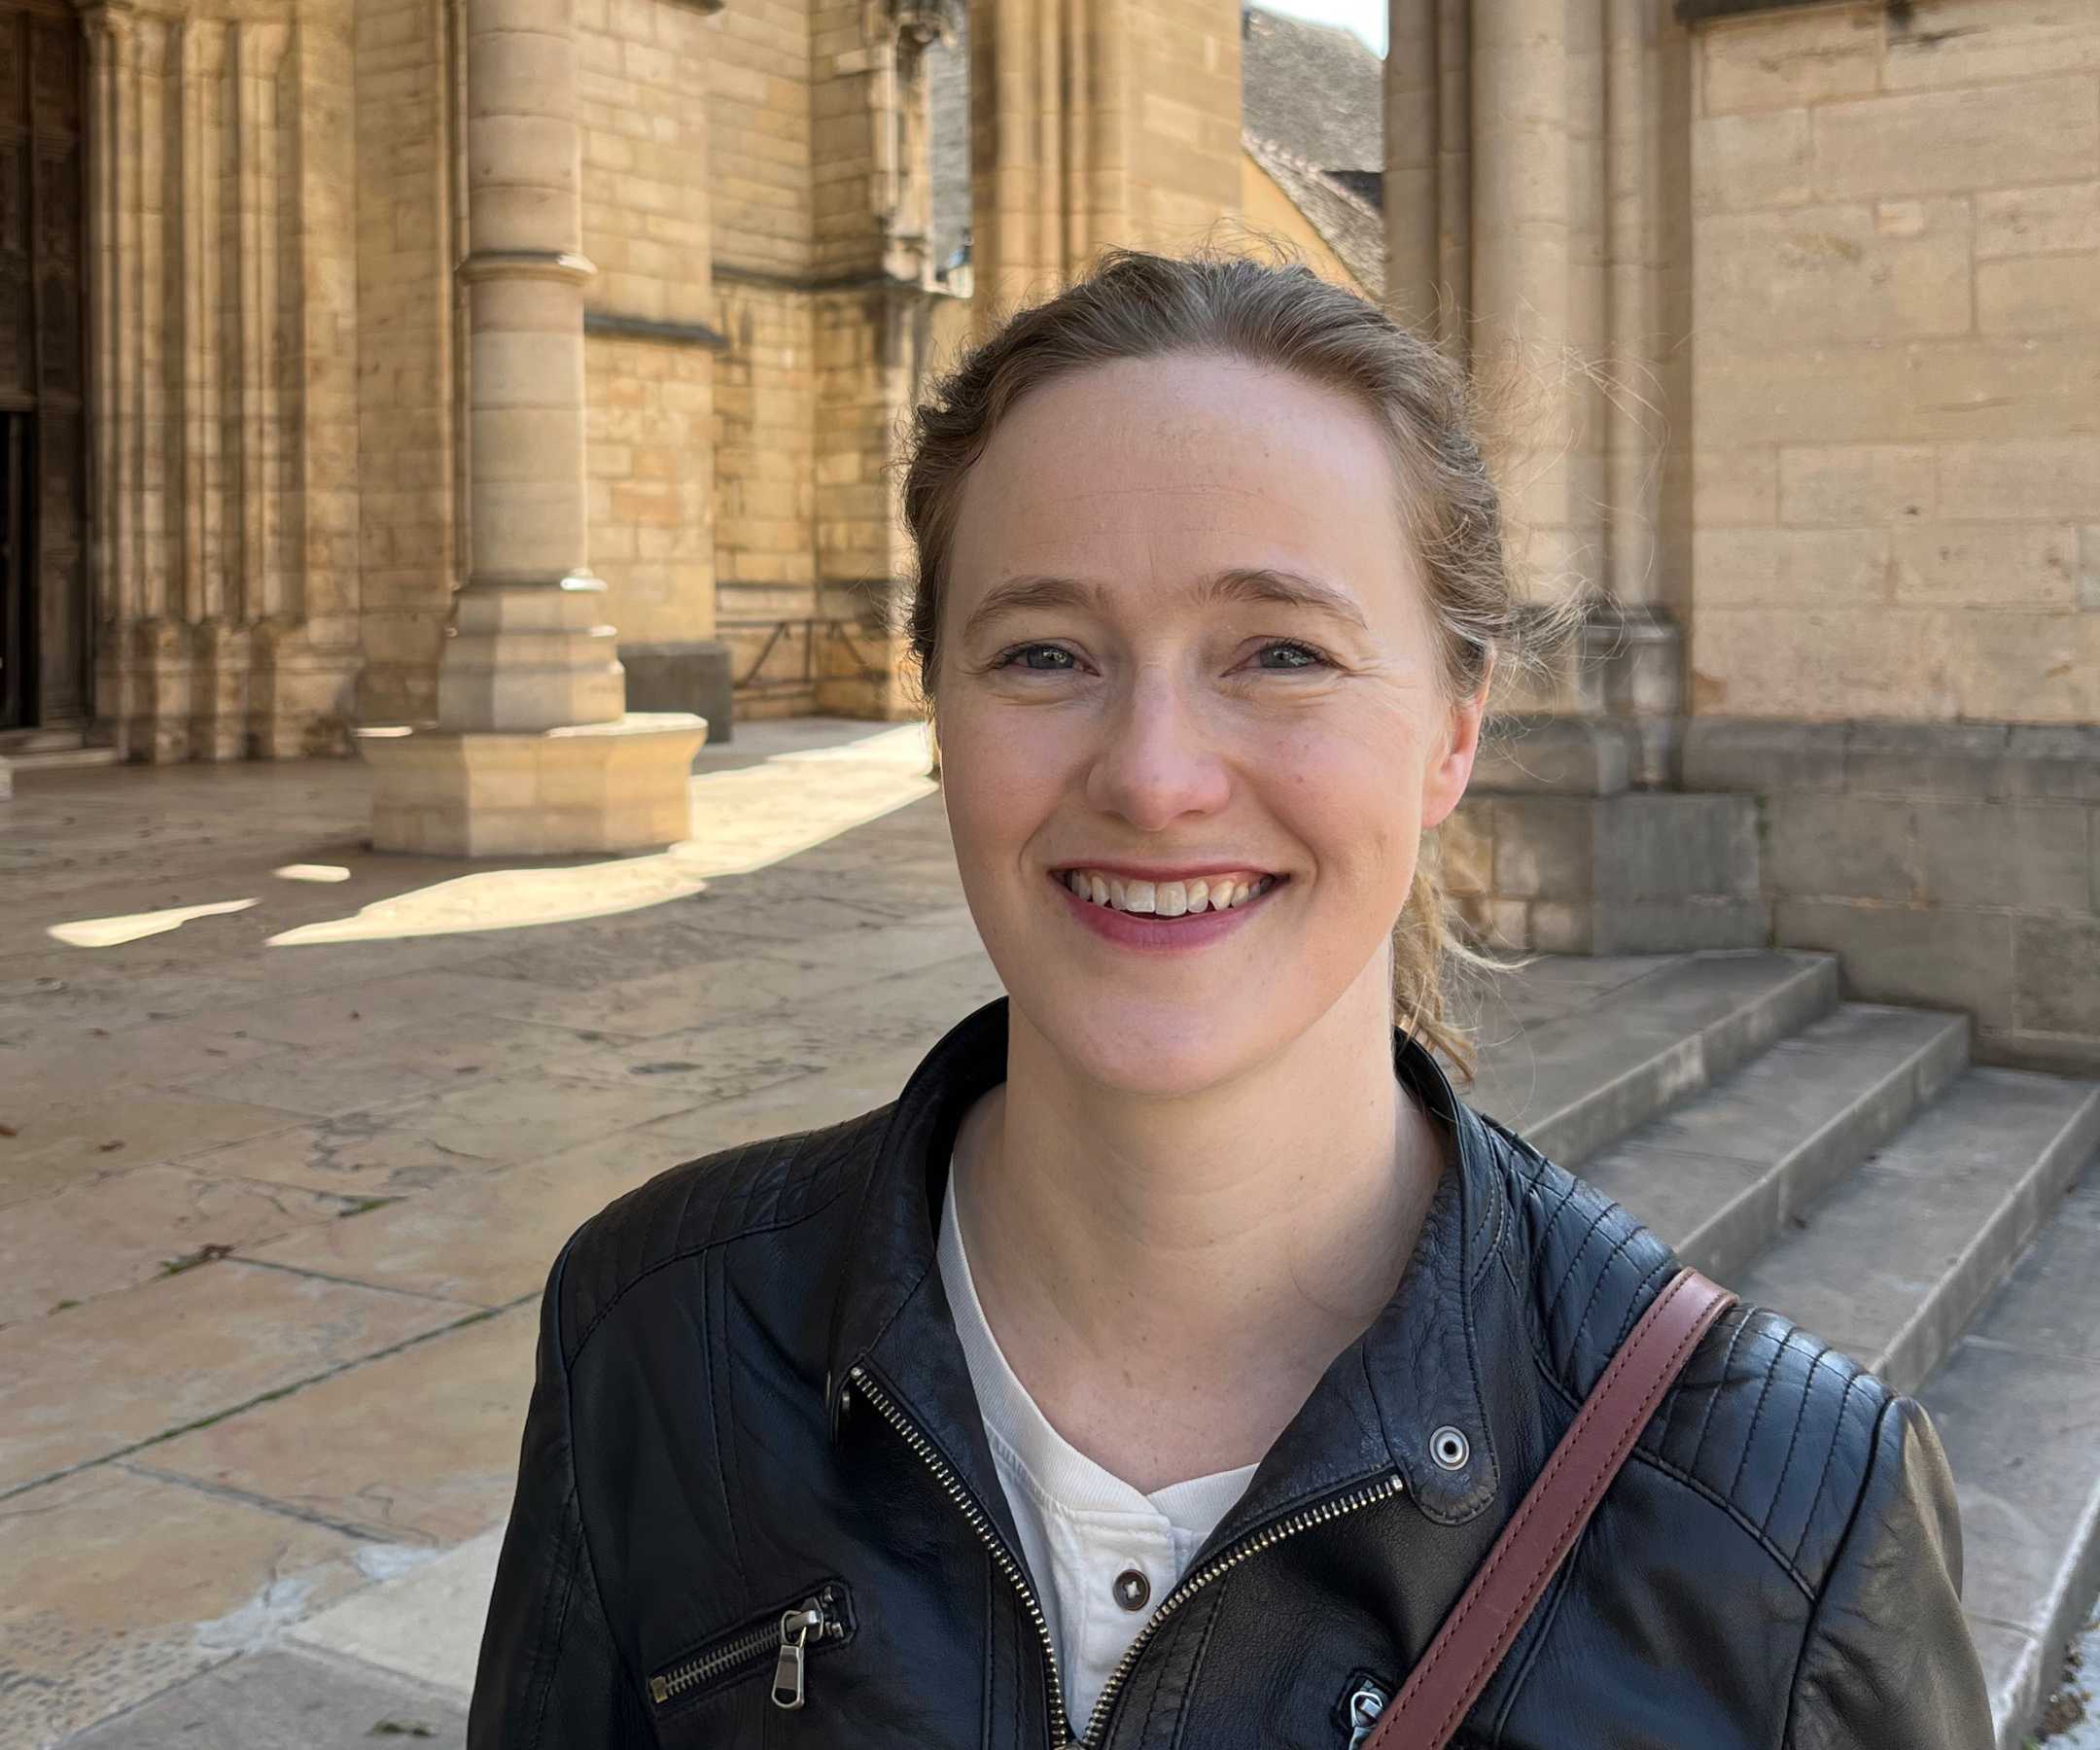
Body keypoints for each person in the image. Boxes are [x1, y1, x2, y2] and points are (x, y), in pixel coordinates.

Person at [468, 249, 1990, 1749]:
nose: (1152, 774)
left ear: (1453, 735)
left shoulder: (1789, 1524)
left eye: (1280, 653)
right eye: (1045, 653)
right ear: (938, 713)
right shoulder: (659, 1333)